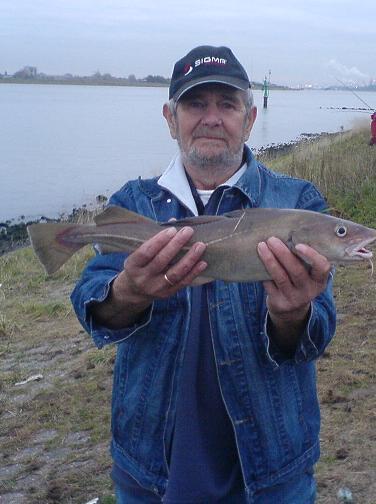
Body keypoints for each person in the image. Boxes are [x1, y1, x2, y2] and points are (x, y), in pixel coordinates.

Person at [71, 45, 336, 503]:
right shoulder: (133, 204)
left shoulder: (298, 202)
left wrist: (293, 315)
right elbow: (94, 308)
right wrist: (128, 293)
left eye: (227, 104)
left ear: (249, 120)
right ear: (170, 118)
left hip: (274, 471)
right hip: (150, 469)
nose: (212, 117)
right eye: (196, 103)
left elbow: (317, 335)